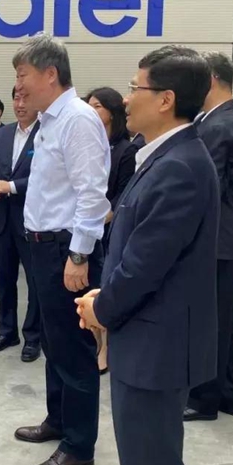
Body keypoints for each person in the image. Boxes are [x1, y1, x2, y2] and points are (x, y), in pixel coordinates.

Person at [76, 45, 218, 465]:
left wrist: (101, 307)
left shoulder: (179, 166)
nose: (126, 98)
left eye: (135, 87)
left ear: (165, 100)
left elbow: (145, 266)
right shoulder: (161, 156)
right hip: (147, 336)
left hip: (157, 348)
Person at [11, 33, 110, 465]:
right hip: (42, 246)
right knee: (54, 342)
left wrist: (79, 255)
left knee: (74, 349)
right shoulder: (50, 120)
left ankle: (78, 447)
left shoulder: (78, 120)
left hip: (66, 249)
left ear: (50, 74)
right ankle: (59, 419)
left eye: (23, 75)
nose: (19, 86)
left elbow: (92, 195)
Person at [185, 52, 233, 422]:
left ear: (212, 78)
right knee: (227, 319)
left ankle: (203, 400)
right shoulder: (228, 118)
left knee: (211, 321)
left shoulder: (219, 124)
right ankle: (230, 394)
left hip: (222, 240)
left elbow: (206, 188)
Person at [0, 86, 41, 362]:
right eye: (16, 98)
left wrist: (12, 186)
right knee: (4, 280)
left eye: (26, 98)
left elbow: (47, 177)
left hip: (32, 221)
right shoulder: (4, 133)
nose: (20, 104)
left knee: (35, 282)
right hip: (2, 219)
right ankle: (7, 331)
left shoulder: (46, 133)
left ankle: (33, 337)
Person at [85, 87, 138, 375]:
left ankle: (105, 347)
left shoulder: (126, 150)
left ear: (112, 111)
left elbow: (123, 194)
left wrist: (103, 217)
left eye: (97, 106)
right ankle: (93, 341)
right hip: (87, 227)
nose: (91, 110)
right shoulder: (89, 143)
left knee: (105, 286)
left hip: (109, 227)